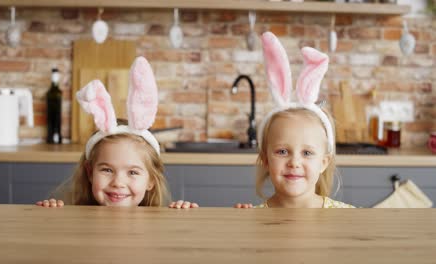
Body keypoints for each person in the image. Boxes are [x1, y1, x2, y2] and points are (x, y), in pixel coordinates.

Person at [36, 56, 197, 209]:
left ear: (151, 180)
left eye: (133, 172)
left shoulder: (158, 223)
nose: (118, 183)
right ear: (90, 173)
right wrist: (50, 211)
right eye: (107, 170)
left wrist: (184, 214)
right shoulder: (75, 216)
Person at [235, 32, 354, 209]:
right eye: (282, 151)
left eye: (307, 153)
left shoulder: (346, 217)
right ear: (266, 160)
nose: (294, 163)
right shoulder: (254, 218)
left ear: (323, 162)